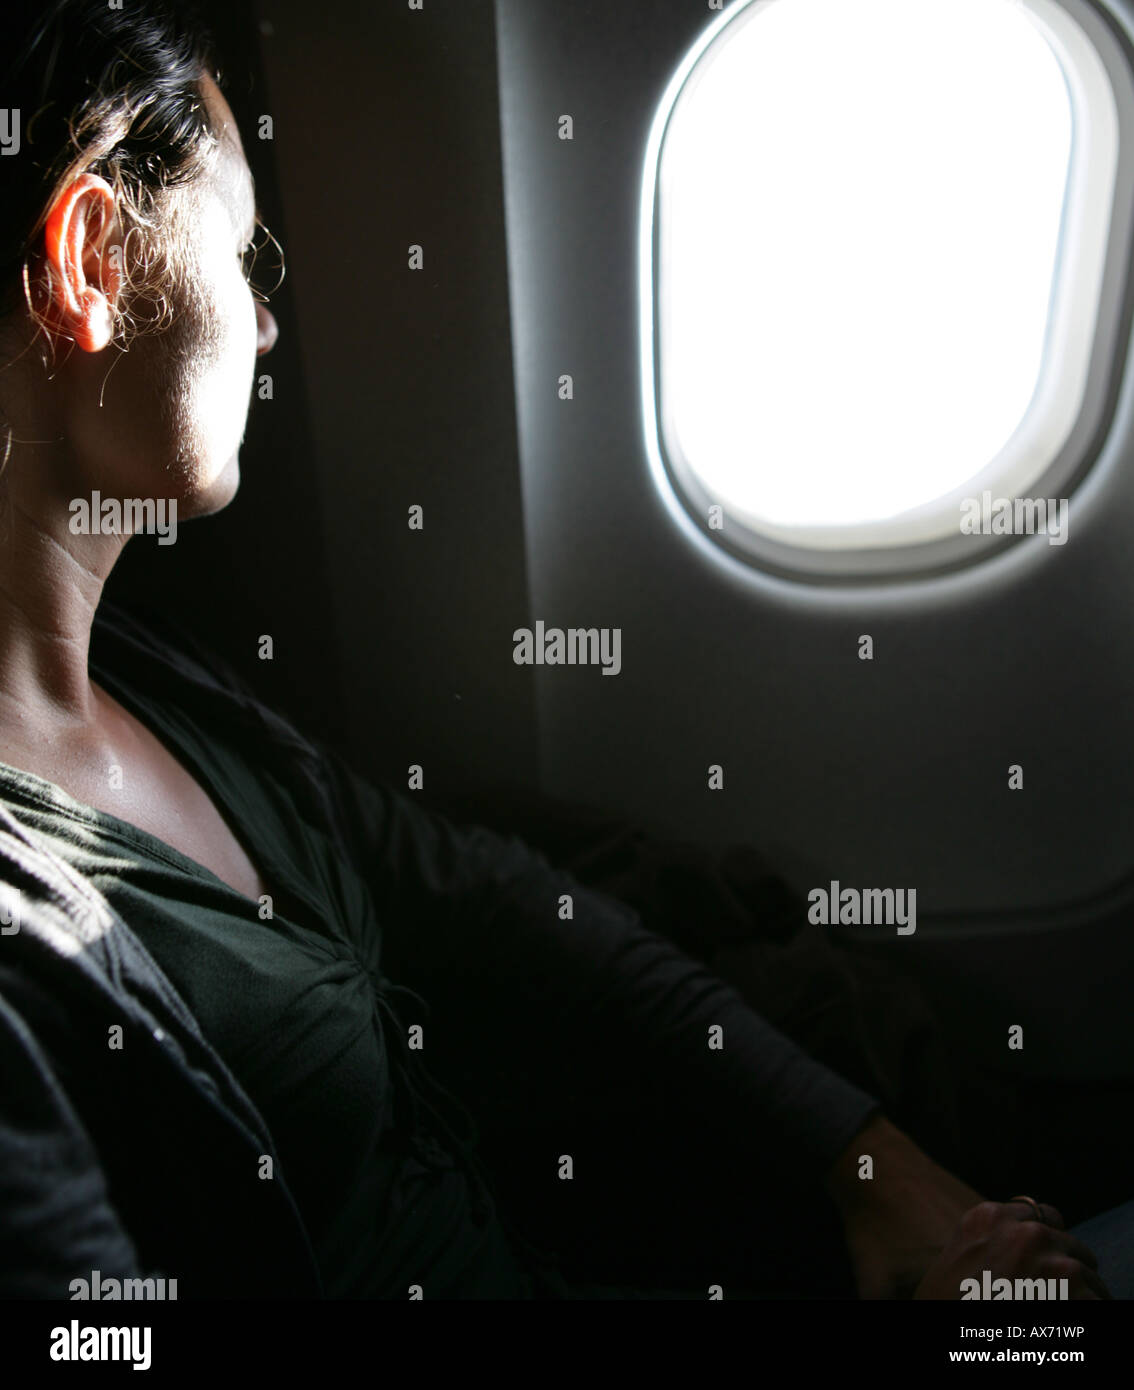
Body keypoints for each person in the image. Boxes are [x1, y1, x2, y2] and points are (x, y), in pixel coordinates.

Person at [0, 0, 1118, 1301]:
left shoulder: (155, 681)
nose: (260, 326)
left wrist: (871, 1166)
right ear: (88, 262)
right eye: (246, 254)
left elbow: (495, 902)